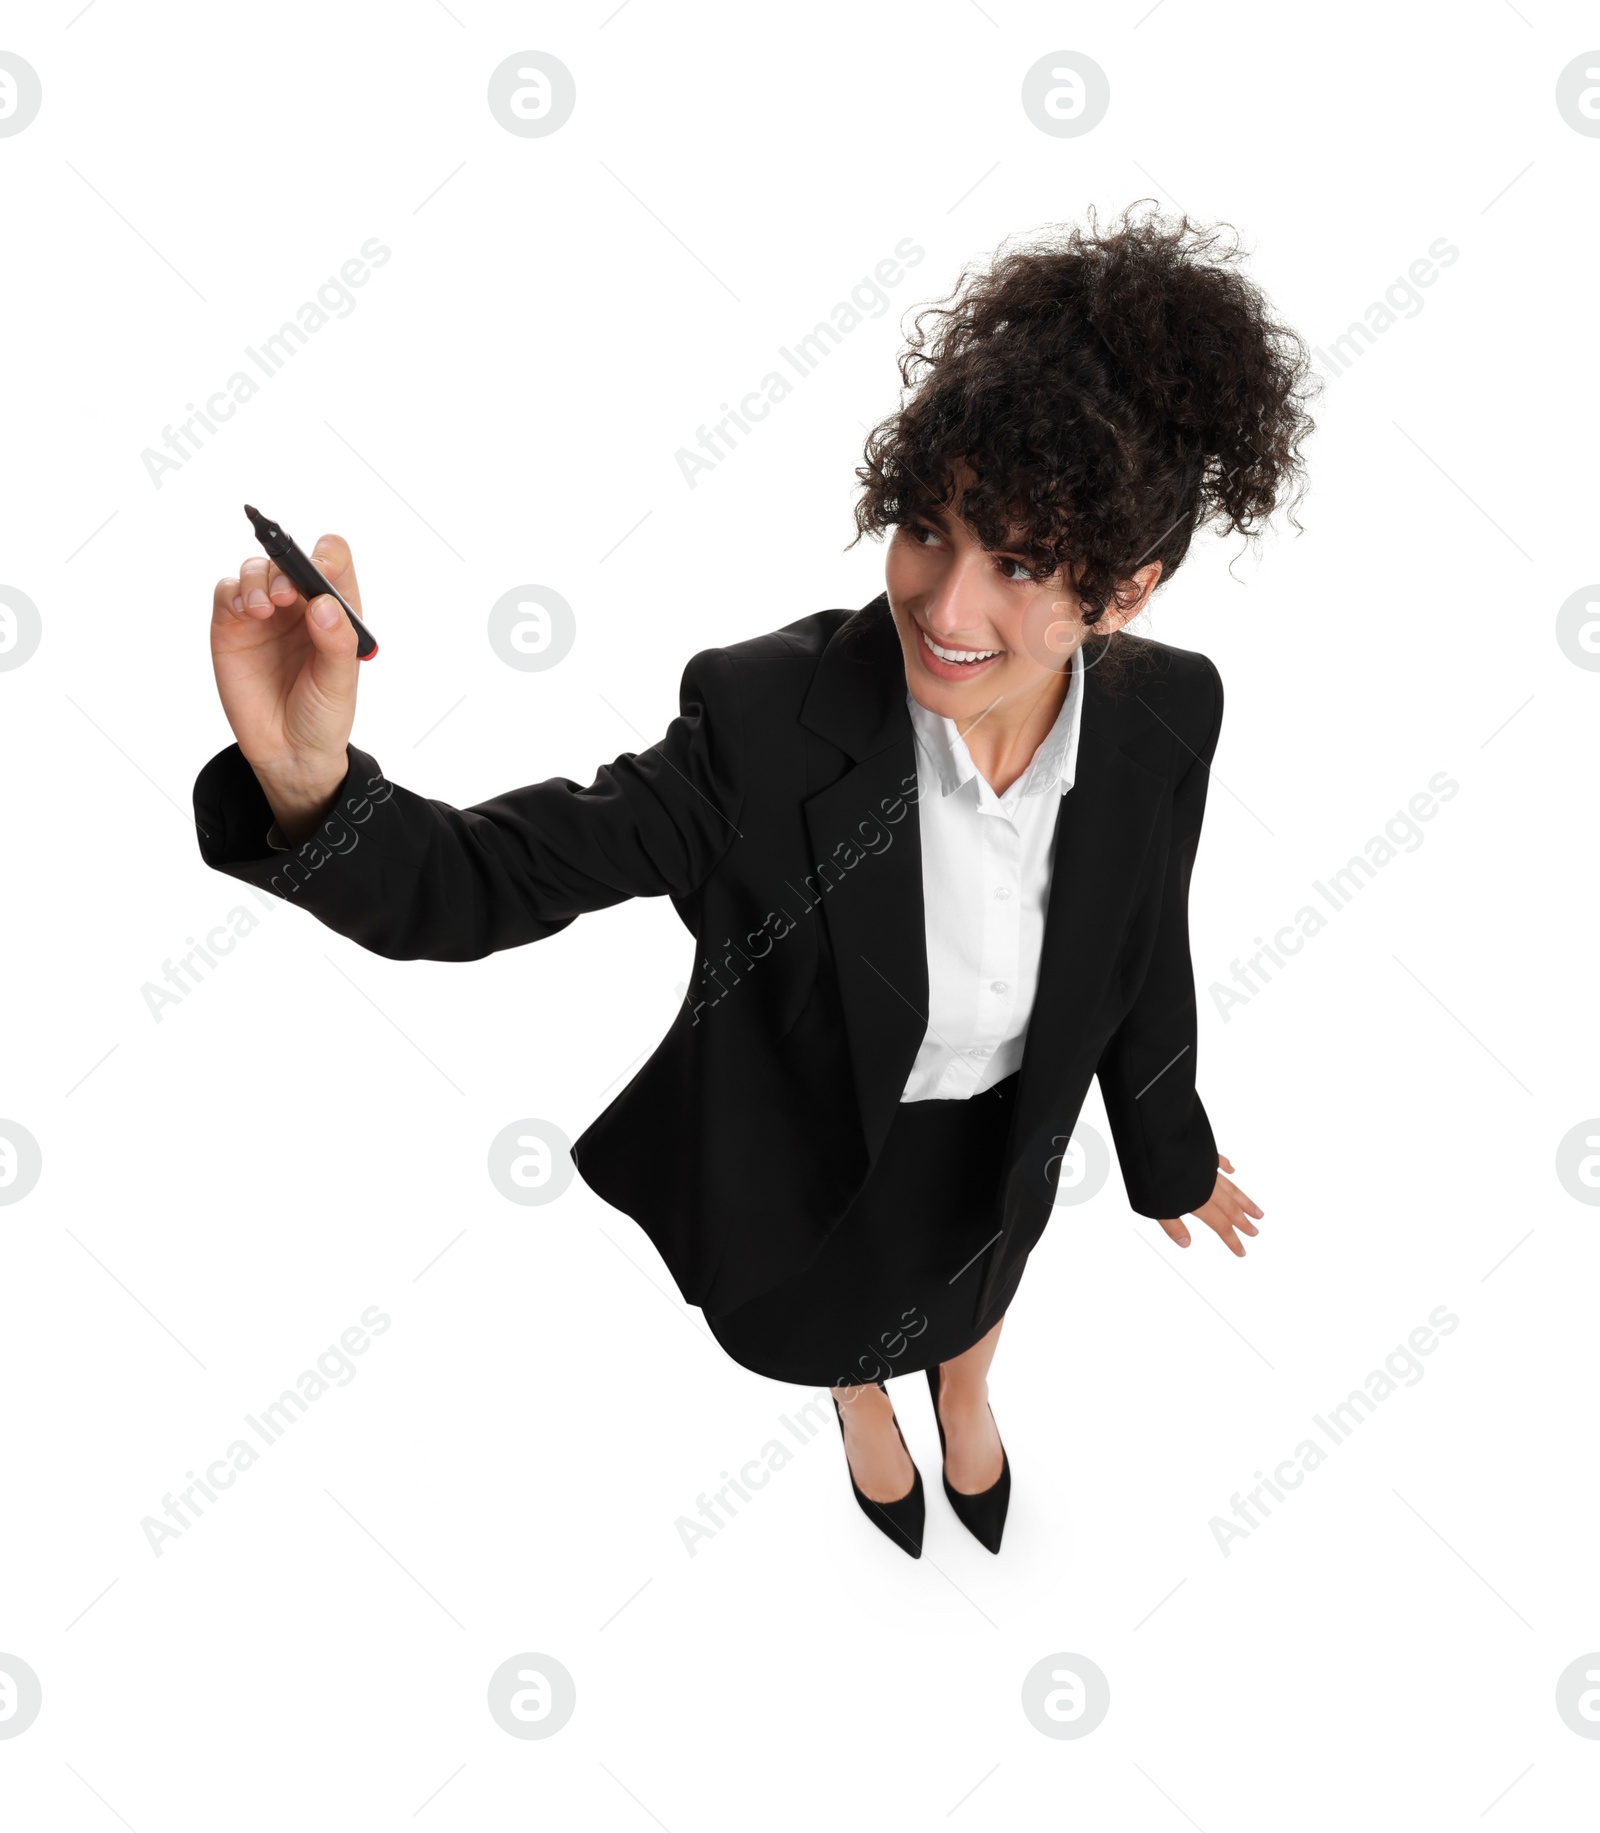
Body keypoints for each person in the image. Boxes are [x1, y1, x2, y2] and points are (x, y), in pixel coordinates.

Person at [193, 202, 1315, 1560]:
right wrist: (311, 781)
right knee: (839, 1314)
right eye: (927, 529)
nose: (945, 609)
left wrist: (1169, 1152)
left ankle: (965, 1388)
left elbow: (1144, 943)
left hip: (1000, 1139)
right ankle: (861, 1409)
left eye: (1017, 564)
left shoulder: (1165, 713)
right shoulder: (766, 721)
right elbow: (486, 883)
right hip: (821, 1147)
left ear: (1122, 594)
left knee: (973, 1294)